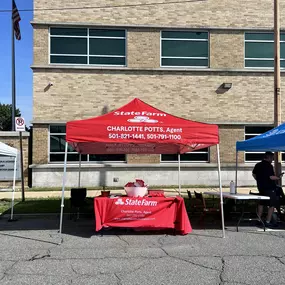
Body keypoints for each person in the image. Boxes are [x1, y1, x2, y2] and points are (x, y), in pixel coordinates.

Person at [252, 151, 283, 228]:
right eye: (272, 158)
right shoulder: (269, 166)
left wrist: (259, 180)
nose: (272, 159)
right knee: (271, 205)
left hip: (260, 187)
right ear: (268, 157)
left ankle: (258, 220)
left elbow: (254, 174)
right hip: (269, 188)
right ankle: (268, 221)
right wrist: (278, 177)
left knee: (261, 203)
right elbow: (271, 177)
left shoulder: (258, 165)